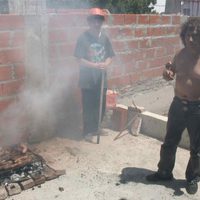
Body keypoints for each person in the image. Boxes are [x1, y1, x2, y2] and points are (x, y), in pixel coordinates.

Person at [146, 17, 200, 195]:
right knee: (169, 143)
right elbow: (169, 72)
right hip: (177, 105)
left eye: (194, 35)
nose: (190, 39)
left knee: (197, 149)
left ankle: (192, 178)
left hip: (197, 109)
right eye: (187, 35)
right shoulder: (180, 54)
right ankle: (164, 172)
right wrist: (167, 73)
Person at [74, 8, 115, 141]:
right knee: (88, 106)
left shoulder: (104, 38)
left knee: (100, 105)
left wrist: (106, 64)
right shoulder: (83, 38)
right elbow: (79, 59)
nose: (96, 24)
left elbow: (110, 56)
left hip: (101, 78)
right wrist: (94, 65)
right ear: (89, 22)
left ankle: (97, 128)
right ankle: (87, 132)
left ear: (102, 22)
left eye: (99, 21)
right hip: (87, 79)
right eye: (94, 21)